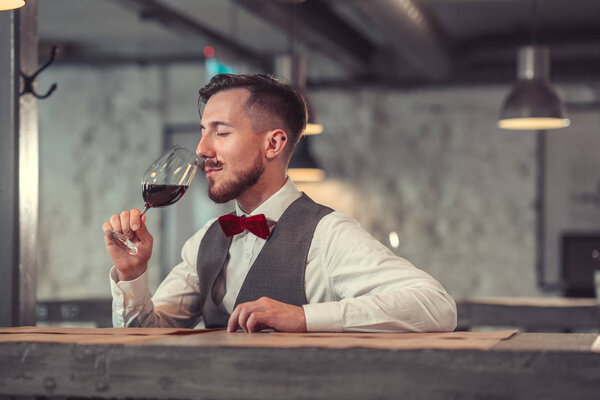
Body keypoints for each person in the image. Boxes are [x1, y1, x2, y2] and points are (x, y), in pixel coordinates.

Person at [104, 73, 457, 333]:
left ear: (273, 144)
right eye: (202, 131)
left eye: (221, 132)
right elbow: (146, 335)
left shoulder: (328, 234)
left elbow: (436, 306)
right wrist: (132, 275)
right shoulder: (205, 241)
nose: (201, 150)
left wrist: (304, 317)